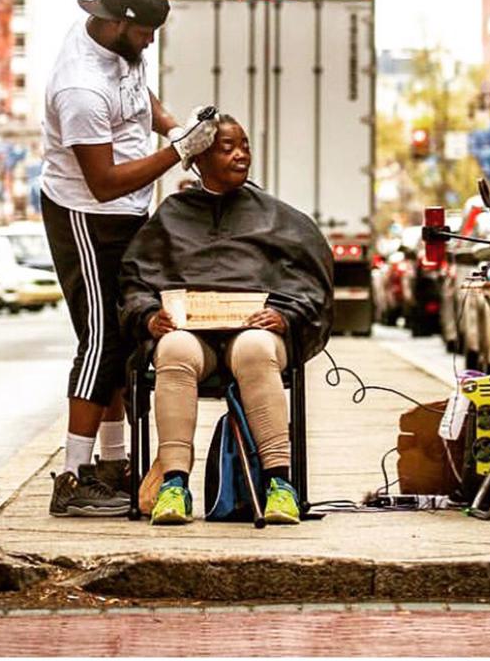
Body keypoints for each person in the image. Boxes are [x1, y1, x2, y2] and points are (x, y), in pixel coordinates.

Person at [41, 0, 217, 517]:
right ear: (117, 23)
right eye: (145, 33)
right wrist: (180, 153)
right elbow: (104, 180)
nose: (151, 43)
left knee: (122, 337)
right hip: (86, 215)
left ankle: (113, 465)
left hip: (128, 213)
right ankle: (71, 478)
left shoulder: (121, 48)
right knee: (99, 343)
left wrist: (173, 127)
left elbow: (140, 94)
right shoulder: (78, 88)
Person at [118, 116, 333, 525]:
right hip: (192, 338)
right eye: (228, 147)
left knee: (253, 349)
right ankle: (174, 486)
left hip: (254, 333)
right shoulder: (171, 216)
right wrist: (149, 318)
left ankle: (279, 485)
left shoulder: (278, 218)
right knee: (174, 349)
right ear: (199, 158)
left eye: (245, 145)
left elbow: (312, 284)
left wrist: (285, 316)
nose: (241, 154)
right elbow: (134, 283)